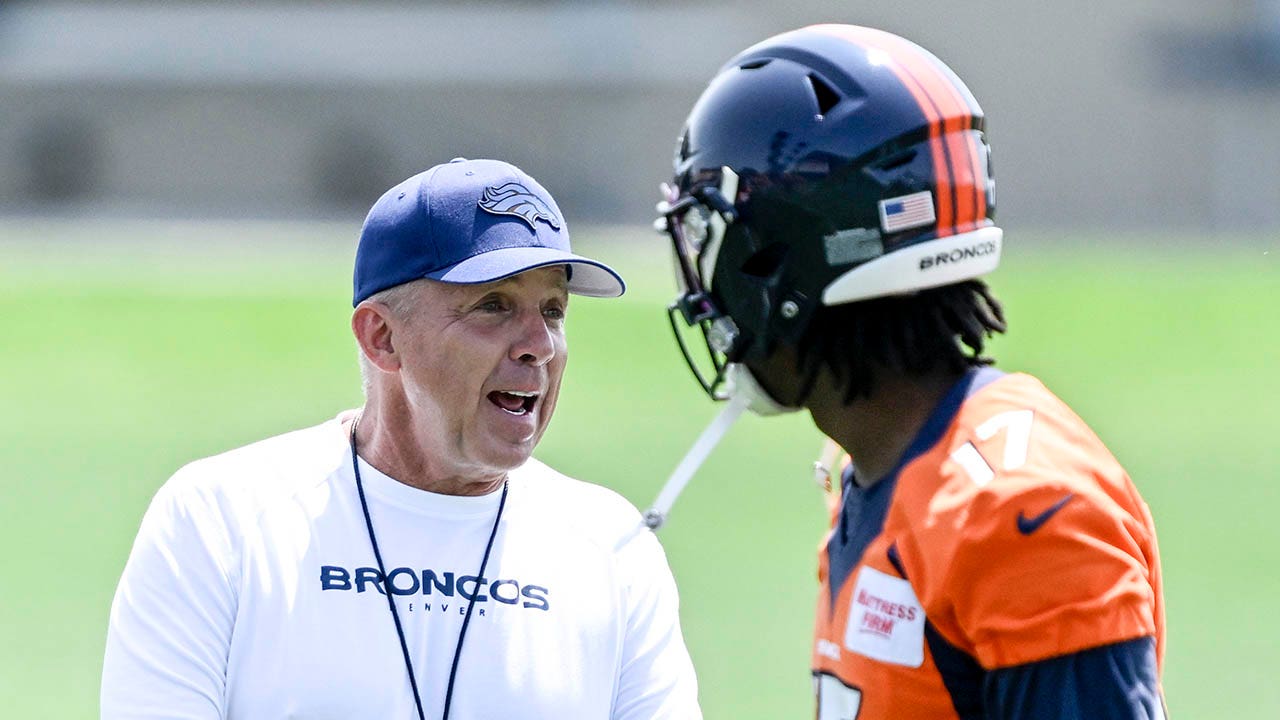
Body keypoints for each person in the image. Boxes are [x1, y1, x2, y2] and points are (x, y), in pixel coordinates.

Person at [655, 25, 1167, 719]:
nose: (703, 292)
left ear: (780, 261)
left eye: (709, 241)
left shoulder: (1018, 509)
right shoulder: (870, 468)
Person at [102, 158, 701, 719]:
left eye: (552, 310)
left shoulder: (612, 549)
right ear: (382, 337)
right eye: (493, 305)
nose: (538, 345)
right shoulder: (220, 520)